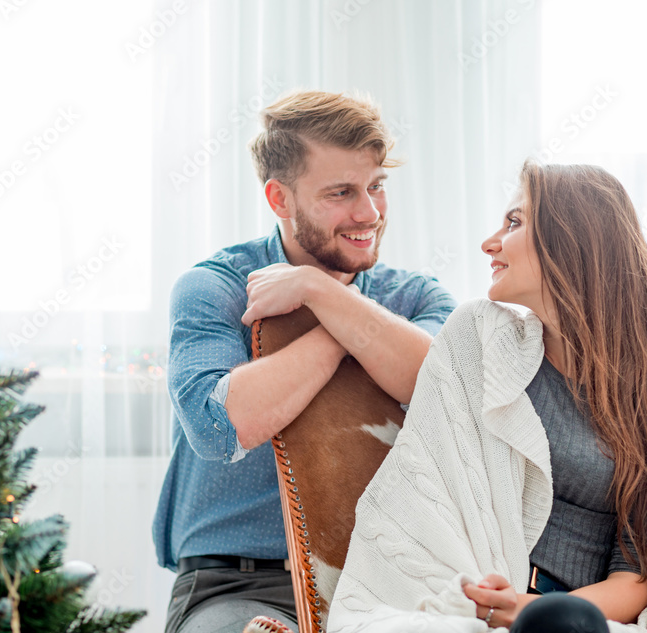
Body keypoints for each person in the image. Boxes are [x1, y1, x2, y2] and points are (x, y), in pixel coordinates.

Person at [328, 161, 647, 633]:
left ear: (573, 240)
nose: (490, 243)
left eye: (515, 222)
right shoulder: (478, 341)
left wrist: (528, 611)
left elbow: (637, 576)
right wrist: (489, 603)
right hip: (465, 598)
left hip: (576, 617)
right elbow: (427, 497)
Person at [153, 89, 457, 633]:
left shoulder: (419, 299)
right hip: (238, 585)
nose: (368, 212)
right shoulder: (214, 287)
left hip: (387, 587)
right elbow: (220, 426)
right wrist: (342, 320)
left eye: (377, 186)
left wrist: (324, 294)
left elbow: (440, 388)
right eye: (341, 192)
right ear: (280, 199)